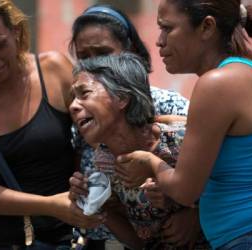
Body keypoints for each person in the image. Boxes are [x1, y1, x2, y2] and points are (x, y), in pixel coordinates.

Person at [114, 1, 252, 250]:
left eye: (167, 29)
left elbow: (184, 190)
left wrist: (150, 163)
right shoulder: (247, 71)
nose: (160, 41)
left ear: (206, 27)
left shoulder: (217, 84)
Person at [0, 1, 104, 249]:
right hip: (1, 241)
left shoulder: (54, 70)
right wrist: (50, 206)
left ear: (16, 32)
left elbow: (103, 127)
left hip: (74, 237)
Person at [68, 4, 189, 249]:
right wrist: (93, 200)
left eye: (103, 53)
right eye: (84, 56)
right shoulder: (104, 156)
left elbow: (232, 178)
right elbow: (140, 237)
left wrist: (195, 213)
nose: (94, 63)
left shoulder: (176, 125)